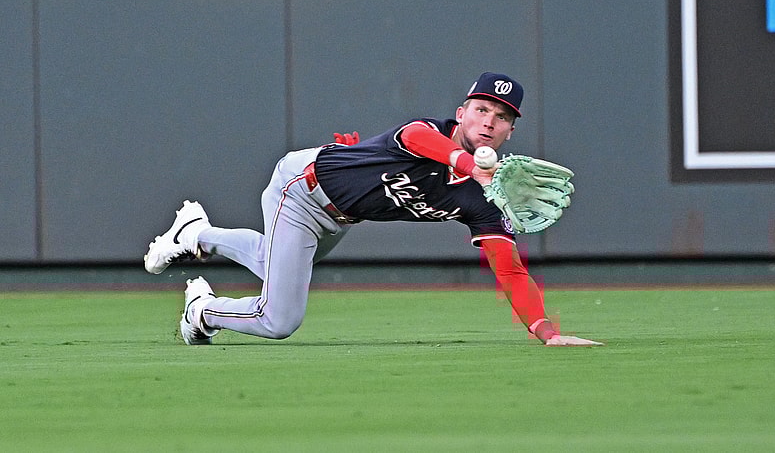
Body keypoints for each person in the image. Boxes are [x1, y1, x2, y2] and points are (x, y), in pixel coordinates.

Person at [144, 72, 602, 347]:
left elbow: (511, 270)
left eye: (502, 117)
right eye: (482, 109)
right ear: (461, 112)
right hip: (301, 186)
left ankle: (196, 233)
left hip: (339, 215)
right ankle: (202, 311)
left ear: (510, 133)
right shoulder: (427, 131)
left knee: (273, 262)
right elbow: (417, 141)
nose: (489, 121)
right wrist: (468, 165)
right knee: (279, 318)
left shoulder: (485, 201)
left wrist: (546, 331)